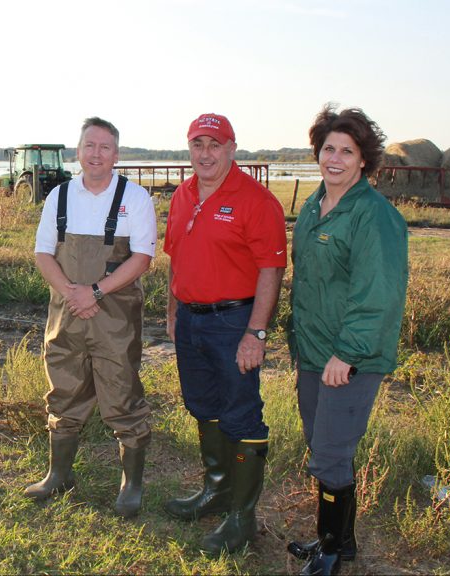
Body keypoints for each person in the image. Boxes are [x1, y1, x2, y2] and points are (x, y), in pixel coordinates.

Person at [286, 105, 408, 576]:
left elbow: (377, 294)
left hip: (349, 358)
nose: (334, 158)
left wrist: (347, 354)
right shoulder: (316, 206)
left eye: (346, 151)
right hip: (314, 353)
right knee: (323, 444)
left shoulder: (374, 216)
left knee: (331, 453)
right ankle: (337, 539)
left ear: (363, 160)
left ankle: (331, 555)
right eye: (328, 149)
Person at [162, 113, 287, 554]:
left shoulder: (255, 200)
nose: (206, 153)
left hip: (235, 321)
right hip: (192, 320)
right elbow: (176, 257)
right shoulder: (183, 195)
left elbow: (272, 269)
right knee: (203, 406)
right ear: (189, 148)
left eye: (215, 144)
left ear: (232, 149)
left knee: (240, 413)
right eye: (198, 144)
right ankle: (216, 491)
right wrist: (174, 309)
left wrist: (257, 332)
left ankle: (242, 518)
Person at [24, 117, 157, 518]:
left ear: (116, 154)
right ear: (78, 151)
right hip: (67, 314)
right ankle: (58, 475)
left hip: (114, 316)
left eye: (105, 147)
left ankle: (131, 485)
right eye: (89, 146)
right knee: (63, 390)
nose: (96, 154)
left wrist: (95, 291)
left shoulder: (135, 198)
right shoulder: (59, 197)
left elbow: (142, 258)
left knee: (122, 394)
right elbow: (43, 254)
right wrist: (72, 293)